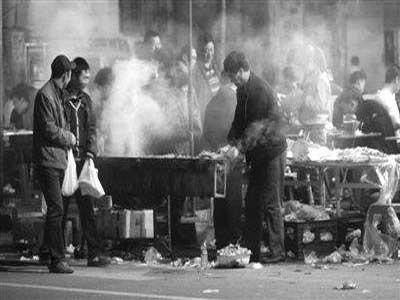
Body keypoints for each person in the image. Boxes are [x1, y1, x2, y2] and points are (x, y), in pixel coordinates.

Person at [224, 51, 286, 263]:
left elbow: (255, 129)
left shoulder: (259, 90)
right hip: (257, 153)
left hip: (270, 151)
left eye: (233, 75)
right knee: (252, 202)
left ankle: (277, 252)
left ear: (241, 70)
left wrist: (238, 148)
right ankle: (251, 251)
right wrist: (230, 140)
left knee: (270, 202)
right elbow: (239, 120)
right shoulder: (242, 90)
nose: (231, 79)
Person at [64, 57, 111, 267]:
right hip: (65, 161)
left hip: (82, 161)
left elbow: (92, 128)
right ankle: (50, 251)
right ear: (74, 75)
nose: (87, 79)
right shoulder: (61, 98)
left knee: (87, 209)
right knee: (60, 208)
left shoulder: (86, 101)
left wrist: (91, 152)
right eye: (85, 76)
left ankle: (94, 252)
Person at [33, 55, 77, 273]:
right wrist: (69, 137)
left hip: (56, 159)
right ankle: (57, 259)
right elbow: (49, 129)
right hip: (47, 160)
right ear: (66, 75)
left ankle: (45, 250)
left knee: (55, 208)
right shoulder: (45, 96)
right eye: (70, 73)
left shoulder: (59, 95)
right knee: (56, 207)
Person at [203, 72, 242, 249]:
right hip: (231, 156)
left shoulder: (214, 100)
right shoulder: (233, 97)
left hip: (218, 155)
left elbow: (207, 130)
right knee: (232, 197)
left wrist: (216, 147)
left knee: (219, 197)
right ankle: (232, 238)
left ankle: (221, 238)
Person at [298, 45, 332, 144]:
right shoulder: (310, 78)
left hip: (316, 130)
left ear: (315, 62)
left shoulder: (321, 79)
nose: (304, 65)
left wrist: (305, 98)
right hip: (308, 128)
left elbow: (322, 106)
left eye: (307, 60)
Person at [193, 33, 221, 125]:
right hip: (206, 117)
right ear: (199, 51)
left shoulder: (216, 67)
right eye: (206, 51)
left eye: (211, 50)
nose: (210, 54)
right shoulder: (196, 71)